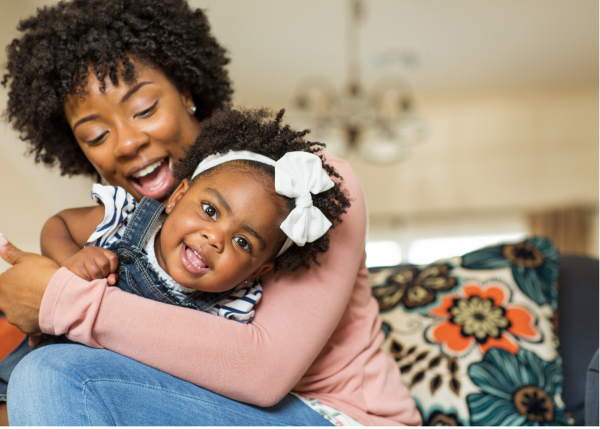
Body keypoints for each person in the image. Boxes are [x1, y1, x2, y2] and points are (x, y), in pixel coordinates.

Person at [0, 0, 421, 425]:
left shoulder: (303, 187)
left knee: (53, 376)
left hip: (334, 416)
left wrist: (62, 300)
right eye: (96, 135)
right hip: (199, 400)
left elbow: (264, 371)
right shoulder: (126, 221)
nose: (126, 143)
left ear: (186, 92)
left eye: (144, 109)